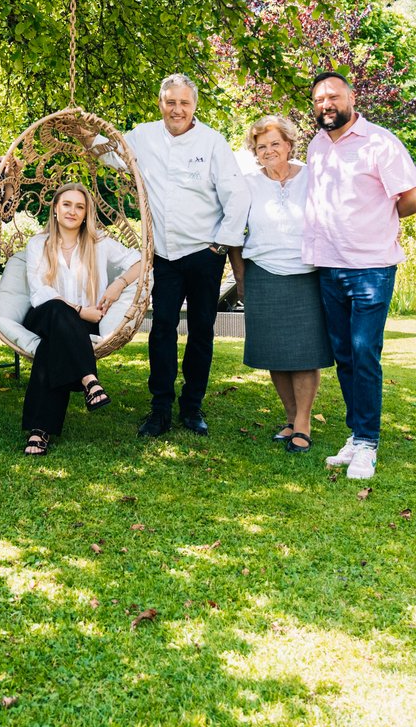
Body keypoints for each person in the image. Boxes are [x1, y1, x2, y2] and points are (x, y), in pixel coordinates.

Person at [94, 74, 249, 437]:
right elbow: (111, 155)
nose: (177, 109)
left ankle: (192, 407)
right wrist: (89, 134)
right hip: (163, 255)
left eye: (184, 103)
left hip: (204, 254)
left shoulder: (212, 142)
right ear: (160, 103)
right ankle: (159, 409)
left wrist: (222, 242)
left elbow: (237, 195)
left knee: (201, 331)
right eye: (170, 102)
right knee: (161, 329)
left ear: (194, 106)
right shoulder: (143, 136)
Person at [303, 72, 416, 479]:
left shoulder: (380, 142)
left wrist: (379, 219)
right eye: (319, 99)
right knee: (345, 355)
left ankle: (368, 443)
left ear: (351, 97)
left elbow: (409, 196)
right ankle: (356, 434)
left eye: (333, 96)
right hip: (329, 266)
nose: (326, 104)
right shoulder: (317, 144)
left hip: (371, 266)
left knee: (365, 352)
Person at [230, 115, 333, 453]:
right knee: (276, 353)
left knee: (305, 354)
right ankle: (291, 418)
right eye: (262, 147)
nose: (269, 151)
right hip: (263, 274)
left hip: (307, 275)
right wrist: (241, 279)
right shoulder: (247, 183)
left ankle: (303, 422)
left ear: (289, 144)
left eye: (275, 143)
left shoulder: (313, 176)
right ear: (254, 152)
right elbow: (233, 235)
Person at [21, 183, 142, 455]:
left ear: (86, 213)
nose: (72, 211)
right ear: (55, 208)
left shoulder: (99, 243)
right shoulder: (37, 244)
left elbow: (141, 260)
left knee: (51, 349)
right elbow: (40, 290)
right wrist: (77, 309)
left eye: (79, 206)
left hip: (79, 325)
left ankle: (39, 432)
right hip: (45, 315)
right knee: (56, 308)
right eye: (66, 204)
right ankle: (88, 378)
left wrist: (118, 284)